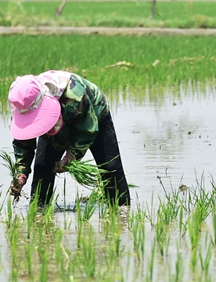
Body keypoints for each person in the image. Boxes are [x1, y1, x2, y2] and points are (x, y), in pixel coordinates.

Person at [7, 70, 130, 207]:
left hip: (92, 114)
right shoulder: (22, 106)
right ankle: (38, 215)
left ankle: (121, 214)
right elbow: (23, 143)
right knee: (42, 169)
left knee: (110, 168)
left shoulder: (74, 96)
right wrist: (21, 173)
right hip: (54, 122)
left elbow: (87, 130)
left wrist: (71, 156)